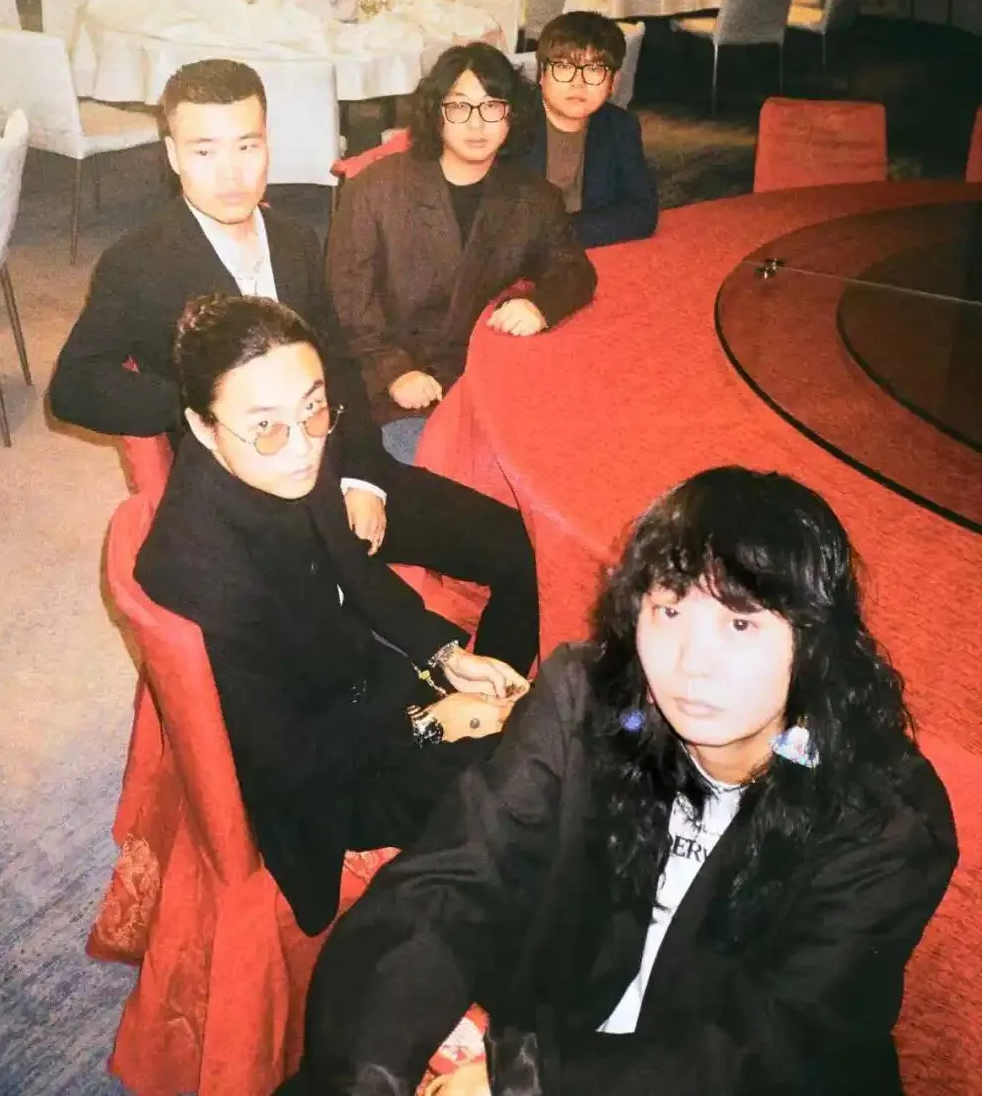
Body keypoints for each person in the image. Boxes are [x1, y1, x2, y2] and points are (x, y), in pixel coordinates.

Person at [284, 465, 958, 1095]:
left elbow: (772, 1047)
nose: (691, 663)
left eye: (740, 622)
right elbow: (448, 883)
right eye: (669, 611)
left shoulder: (884, 818)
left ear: (813, 642)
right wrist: (369, 1075)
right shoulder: (587, 700)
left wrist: (528, 1079)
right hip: (562, 1029)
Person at [47, 58, 540, 674]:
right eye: (204, 151)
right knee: (360, 660)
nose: (231, 174)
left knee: (520, 549)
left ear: (268, 143)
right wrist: (203, 408)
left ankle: (493, 709)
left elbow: (339, 365)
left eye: (247, 145)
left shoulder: (296, 240)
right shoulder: (138, 263)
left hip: (337, 462)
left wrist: (363, 479)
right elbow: (74, 385)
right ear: (172, 155)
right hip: (255, 501)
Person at [135, 294, 530, 936]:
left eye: (313, 408)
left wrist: (445, 657)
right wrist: (429, 724)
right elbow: (283, 761)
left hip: (360, 696)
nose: (302, 448)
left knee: (540, 733)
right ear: (202, 428)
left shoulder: (287, 460)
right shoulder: (202, 574)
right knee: (523, 795)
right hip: (328, 782)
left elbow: (354, 568)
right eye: (266, 426)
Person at [326, 42, 597, 465]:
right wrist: (393, 371)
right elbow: (346, 301)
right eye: (459, 106)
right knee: (437, 474)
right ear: (436, 113)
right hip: (393, 390)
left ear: (512, 116)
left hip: (487, 383)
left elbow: (574, 269)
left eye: (492, 106)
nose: (476, 123)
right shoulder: (375, 189)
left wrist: (542, 305)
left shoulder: (533, 196)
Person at [522, 10, 658, 250]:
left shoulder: (620, 126)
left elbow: (642, 212)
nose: (578, 83)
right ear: (541, 74)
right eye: (564, 67)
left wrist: (560, 233)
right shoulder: (511, 123)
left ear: (613, 82)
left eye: (594, 69)